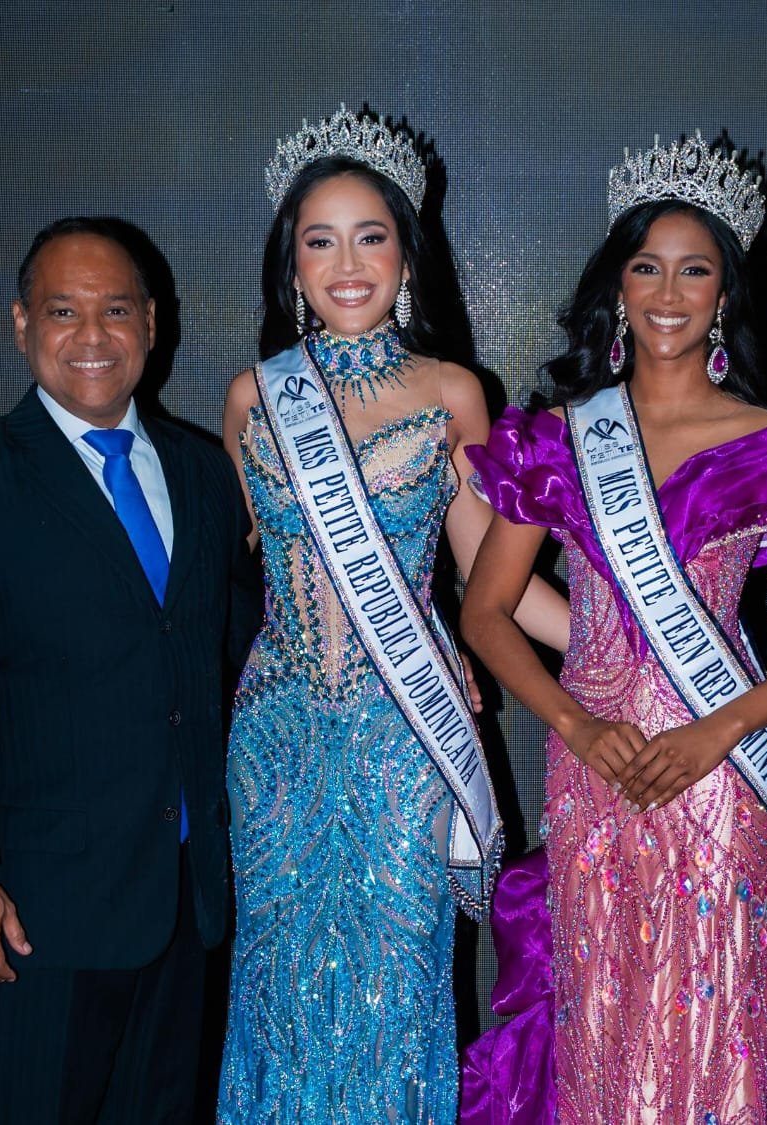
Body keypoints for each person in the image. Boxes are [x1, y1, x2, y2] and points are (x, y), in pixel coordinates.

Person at [459, 134, 767, 1125]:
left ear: (725, 296)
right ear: (617, 286)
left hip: (720, 775)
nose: (667, 289)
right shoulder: (561, 438)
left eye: (694, 269)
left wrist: (721, 728)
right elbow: (484, 613)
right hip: (591, 772)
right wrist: (573, 726)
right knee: (601, 1018)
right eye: (645, 266)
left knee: (710, 1018)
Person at [217, 107, 568, 1124]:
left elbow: (488, 578)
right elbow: (258, 563)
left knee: (401, 986)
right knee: (277, 987)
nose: (346, 262)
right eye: (318, 240)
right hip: (278, 736)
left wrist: (622, 647)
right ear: (291, 266)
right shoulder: (254, 396)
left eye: (370, 235)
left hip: (401, 736)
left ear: (407, 254)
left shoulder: (458, 391)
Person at [0, 216, 262, 1123]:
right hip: (42, 905)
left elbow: (241, 649)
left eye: (116, 311)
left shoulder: (205, 472)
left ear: (152, 325)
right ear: (22, 323)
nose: (92, 337)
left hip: (187, 897)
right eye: (64, 311)